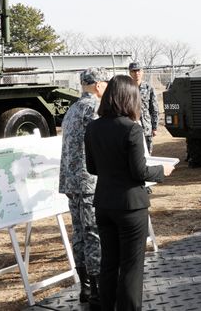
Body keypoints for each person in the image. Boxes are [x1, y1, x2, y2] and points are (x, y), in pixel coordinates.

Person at [84, 75, 174, 311]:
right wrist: (162, 170)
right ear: (129, 98)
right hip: (130, 207)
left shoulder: (92, 127)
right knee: (132, 268)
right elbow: (140, 171)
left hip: (104, 204)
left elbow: (91, 167)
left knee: (109, 264)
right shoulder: (131, 129)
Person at [59, 67, 109, 306]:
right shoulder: (94, 109)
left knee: (79, 234)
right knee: (93, 234)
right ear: (99, 85)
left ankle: (85, 289)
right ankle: (98, 289)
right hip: (89, 181)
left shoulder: (72, 109)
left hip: (71, 182)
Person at [129, 61, 159, 154]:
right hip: (131, 126)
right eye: (133, 71)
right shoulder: (126, 88)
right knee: (134, 153)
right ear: (130, 73)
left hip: (146, 126)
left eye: (138, 71)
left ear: (142, 72)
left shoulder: (148, 88)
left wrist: (154, 127)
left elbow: (154, 109)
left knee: (148, 153)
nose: (136, 73)